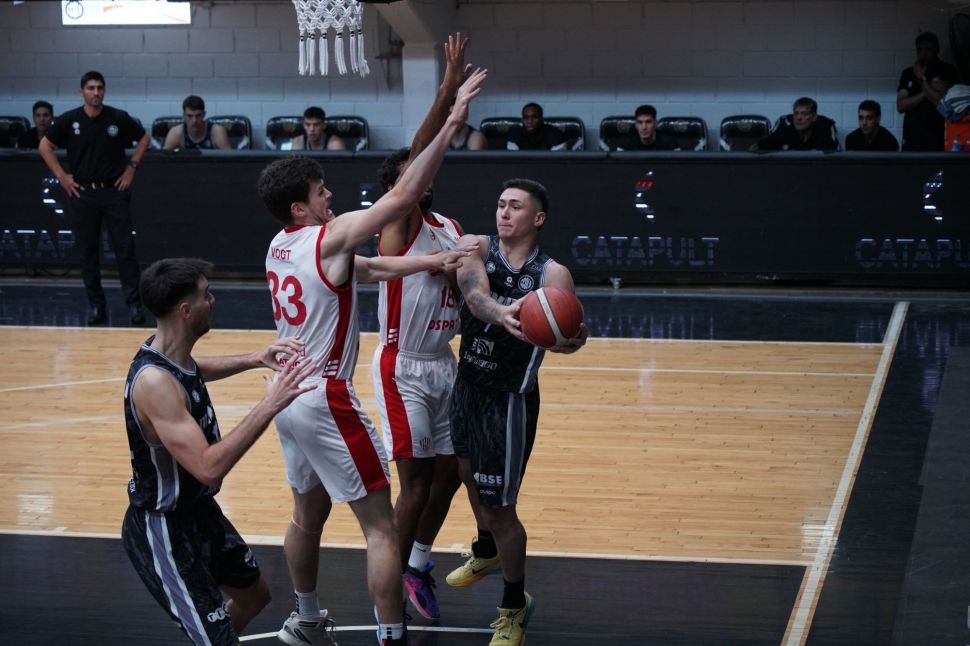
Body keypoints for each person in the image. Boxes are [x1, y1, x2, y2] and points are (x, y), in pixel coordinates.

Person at [259, 68, 487, 646]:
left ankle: (305, 619)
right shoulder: (327, 236)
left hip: (284, 396)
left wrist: (427, 263)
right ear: (301, 208)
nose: (330, 197)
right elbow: (404, 196)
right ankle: (391, 634)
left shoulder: (281, 246)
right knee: (382, 528)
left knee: (306, 516)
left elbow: (368, 268)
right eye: (321, 192)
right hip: (326, 395)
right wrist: (453, 120)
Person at [121, 257, 318, 646]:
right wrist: (269, 404)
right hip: (165, 527)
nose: (212, 300)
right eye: (206, 295)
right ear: (185, 311)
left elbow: (195, 369)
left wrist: (255, 358)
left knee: (254, 595)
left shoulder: (170, 356)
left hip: (199, 513)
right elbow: (209, 469)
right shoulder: (154, 384)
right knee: (218, 638)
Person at [446, 178, 588, 645]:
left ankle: (514, 604)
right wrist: (501, 312)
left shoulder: (553, 275)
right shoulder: (476, 248)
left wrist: (569, 338)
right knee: (465, 473)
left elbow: (571, 334)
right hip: (467, 384)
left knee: (500, 508)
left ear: (538, 218)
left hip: (507, 400)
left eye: (515, 206)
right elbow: (473, 295)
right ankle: (485, 549)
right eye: (500, 204)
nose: (504, 212)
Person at [372, 32, 473, 623]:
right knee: (412, 485)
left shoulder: (450, 226)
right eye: (415, 174)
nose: (425, 176)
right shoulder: (396, 224)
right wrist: (446, 95)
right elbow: (416, 155)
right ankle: (387, 594)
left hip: (443, 363)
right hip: (402, 366)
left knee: (452, 473)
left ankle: (415, 564)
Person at [39, 70, 150, 326]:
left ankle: (134, 304)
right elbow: (45, 146)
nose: (95, 93)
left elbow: (143, 137)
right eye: (90, 88)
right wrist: (62, 177)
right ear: (81, 91)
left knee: (125, 250)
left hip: (113, 191)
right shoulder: (70, 120)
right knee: (88, 252)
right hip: (83, 192)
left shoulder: (117, 117)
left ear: (104, 91)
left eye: (99, 88)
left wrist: (131, 168)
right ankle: (96, 305)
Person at [897, 32, 960, 151]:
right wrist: (928, 90)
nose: (923, 54)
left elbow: (944, 104)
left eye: (928, 49)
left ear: (937, 49)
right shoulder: (909, 73)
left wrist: (922, 79)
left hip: (938, 136)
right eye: (919, 49)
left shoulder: (948, 71)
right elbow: (901, 106)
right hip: (912, 138)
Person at [750, 97, 839, 151]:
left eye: (804, 114)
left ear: (814, 117)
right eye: (796, 113)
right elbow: (758, 146)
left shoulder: (825, 126)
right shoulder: (785, 126)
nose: (798, 118)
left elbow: (835, 158)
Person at [162, 95, 231, 150]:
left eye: (198, 115)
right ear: (184, 116)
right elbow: (162, 160)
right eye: (190, 116)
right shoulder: (177, 133)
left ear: (204, 115)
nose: (194, 120)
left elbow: (231, 160)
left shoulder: (216, 131)